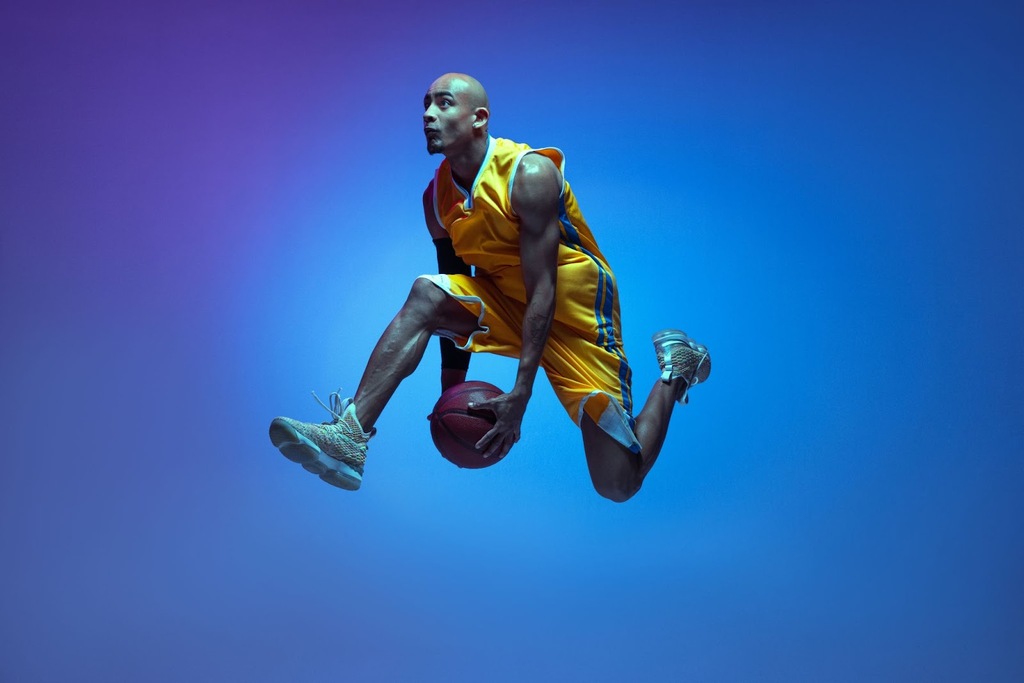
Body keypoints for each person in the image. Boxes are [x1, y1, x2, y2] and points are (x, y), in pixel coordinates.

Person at [269, 73, 711, 502]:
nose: (428, 113)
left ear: (479, 118)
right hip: (506, 302)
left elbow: (544, 291)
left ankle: (676, 371)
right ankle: (351, 435)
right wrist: (450, 392)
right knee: (426, 290)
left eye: (443, 103)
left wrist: (521, 393)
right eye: (425, 104)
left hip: (575, 315)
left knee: (617, 484)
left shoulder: (530, 174)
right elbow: (449, 293)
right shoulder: (437, 199)